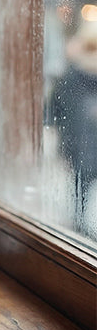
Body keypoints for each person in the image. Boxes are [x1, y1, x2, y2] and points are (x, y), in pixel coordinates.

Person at [48, 15, 97, 236]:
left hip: (82, 145)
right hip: (79, 146)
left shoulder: (73, 77)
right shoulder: (72, 78)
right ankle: (79, 228)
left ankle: (81, 227)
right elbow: (56, 111)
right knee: (81, 188)